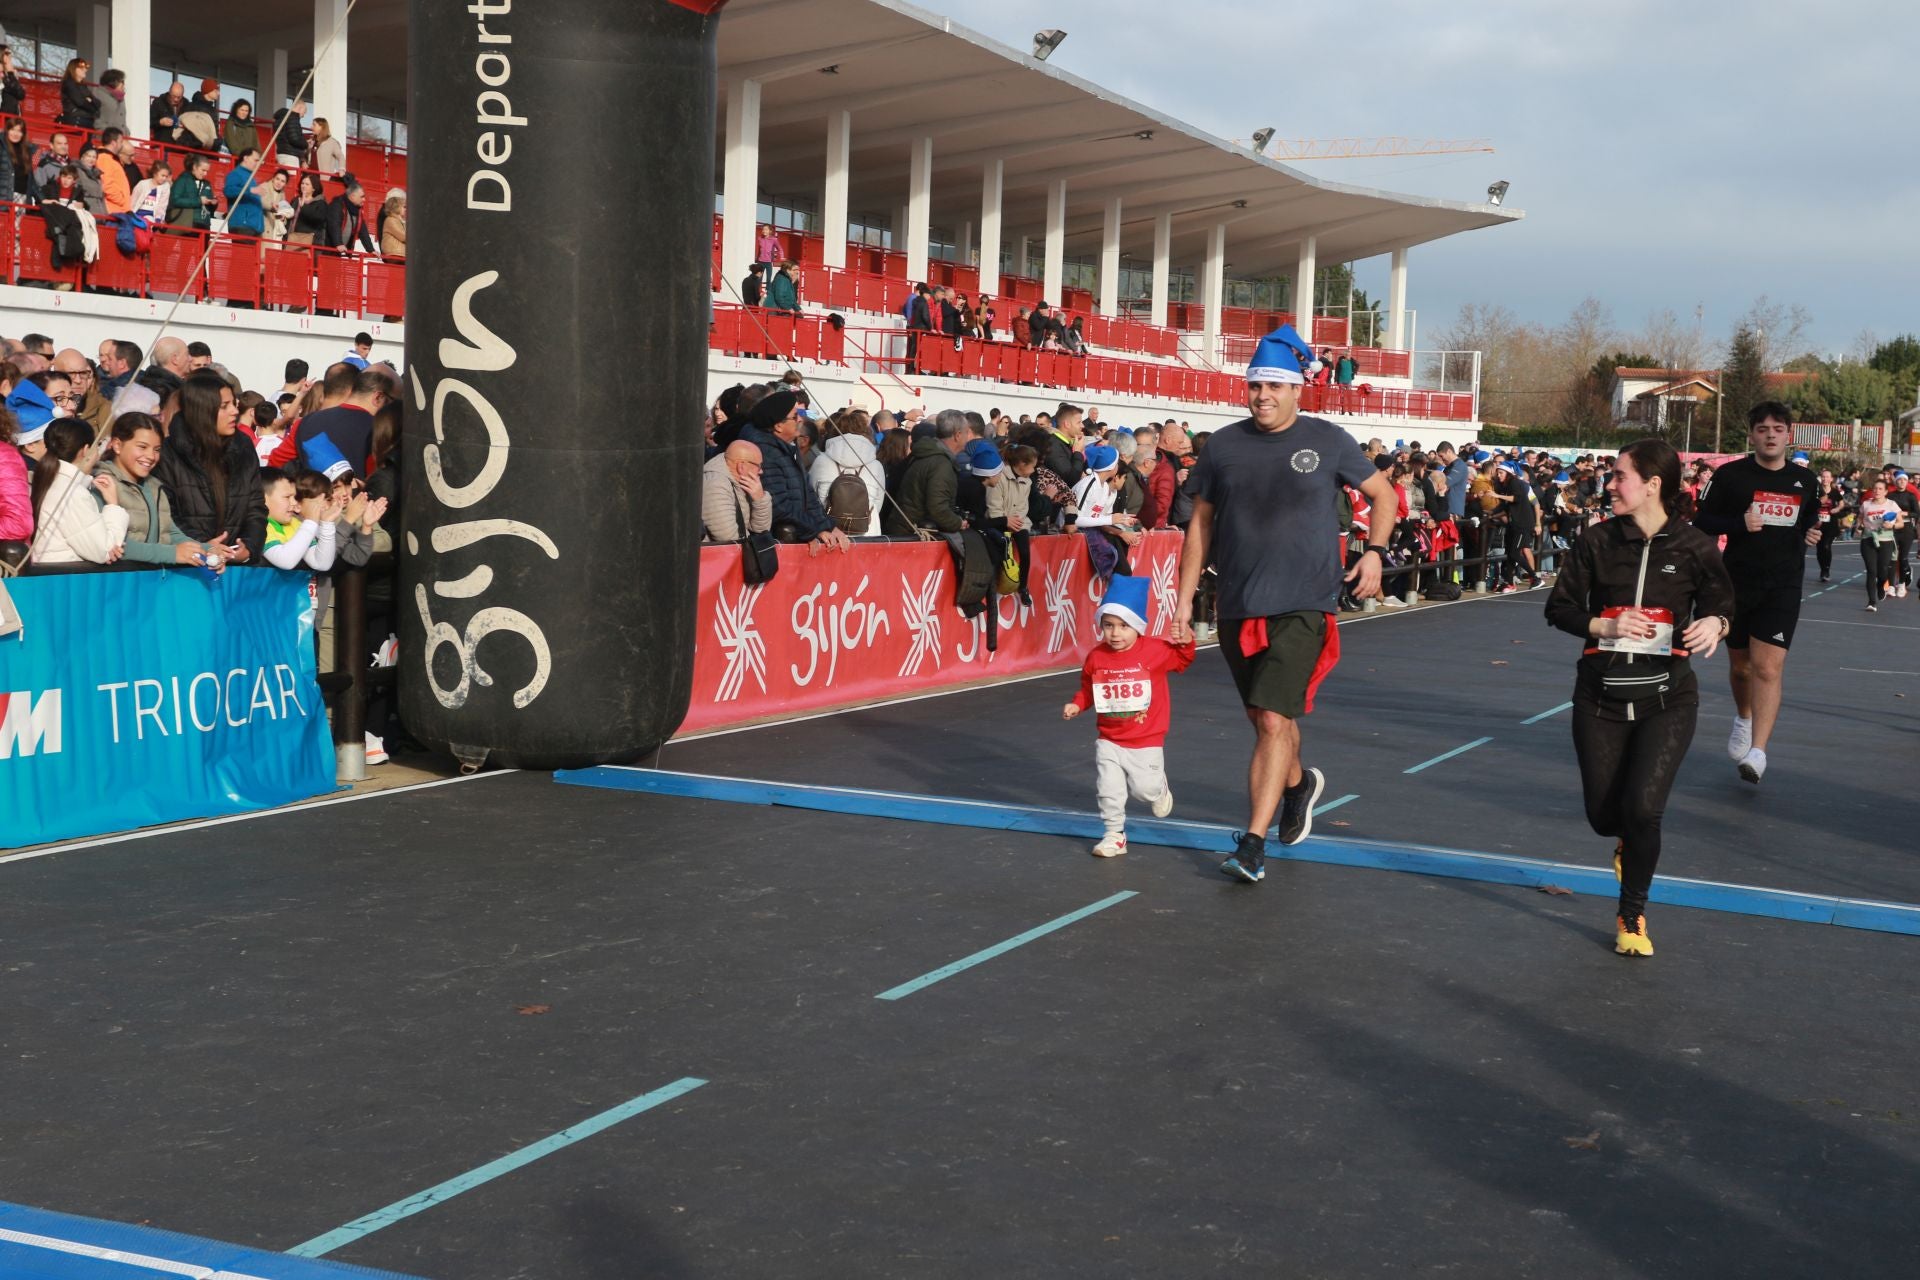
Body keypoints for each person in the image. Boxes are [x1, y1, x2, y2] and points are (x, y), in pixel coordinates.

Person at [1172, 324, 1397, 884]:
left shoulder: (1328, 439)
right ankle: (1298, 785)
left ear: (1298, 389)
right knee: (1263, 717)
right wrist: (1183, 605)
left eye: (1275, 385)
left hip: (1304, 603)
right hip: (1237, 604)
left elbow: (1384, 495)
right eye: (1255, 386)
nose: (1263, 396)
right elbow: (1198, 526)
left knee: (1274, 717)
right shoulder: (1222, 446)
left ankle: (1252, 843)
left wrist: (1374, 554)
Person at [1544, 439, 1733, 957]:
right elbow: (1558, 608)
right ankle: (1624, 842)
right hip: (1600, 698)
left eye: (1619, 476)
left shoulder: (1695, 546)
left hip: (1667, 699)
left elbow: (1722, 601)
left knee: (1645, 810)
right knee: (1607, 817)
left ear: (1652, 484)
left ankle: (1632, 914)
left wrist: (1716, 623)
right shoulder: (1598, 541)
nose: (1609, 484)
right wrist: (1601, 623)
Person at [1690, 402, 1820, 785]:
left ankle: (1759, 752)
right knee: (1742, 668)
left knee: (1768, 668)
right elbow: (1702, 521)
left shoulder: (1805, 480)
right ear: (1751, 435)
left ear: (1788, 434)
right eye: (1762, 429)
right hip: (1737, 582)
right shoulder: (1730, 476)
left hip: (1783, 584)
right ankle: (1744, 717)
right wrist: (1739, 524)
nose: (1770, 435)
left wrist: (1811, 531)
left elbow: (1808, 517)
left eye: (1777, 429)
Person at [1062, 575, 1197, 859]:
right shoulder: (1096, 657)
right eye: (1108, 625)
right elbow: (1089, 689)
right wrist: (1077, 704)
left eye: (1124, 626)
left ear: (1137, 626)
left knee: (1144, 791)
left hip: (1146, 738)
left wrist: (1186, 641)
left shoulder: (1155, 651)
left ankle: (1159, 790)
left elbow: (1183, 661)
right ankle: (1114, 835)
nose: (1115, 633)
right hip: (1109, 738)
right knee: (1108, 789)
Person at [155, 369, 265, 560]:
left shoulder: (244, 447)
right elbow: (166, 515)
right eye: (224, 406)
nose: (234, 411)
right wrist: (203, 546)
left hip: (235, 572)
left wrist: (248, 547)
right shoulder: (168, 454)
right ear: (202, 410)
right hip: (186, 569)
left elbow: (256, 506)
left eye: (234, 404)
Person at [95, 412, 227, 568]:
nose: (151, 456)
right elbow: (106, 546)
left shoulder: (155, 487)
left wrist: (208, 550)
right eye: (142, 447)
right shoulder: (100, 484)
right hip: (117, 585)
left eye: (157, 449)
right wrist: (171, 553)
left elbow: (170, 533)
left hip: (151, 584)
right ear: (117, 445)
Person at [737, 390, 849, 553]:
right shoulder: (765, 453)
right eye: (795, 416)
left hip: (798, 532)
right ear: (778, 425)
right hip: (776, 543)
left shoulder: (788, 446)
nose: (800, 419)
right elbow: (779, 506)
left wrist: (828, 526)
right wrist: (814, 530)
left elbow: (807, 493)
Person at [28, 419, 128, 566]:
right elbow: (103, 551)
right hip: (63, 580)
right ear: (86, 450)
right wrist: (113, 505)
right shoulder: (71, 492)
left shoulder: (51, 480)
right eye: (97, 446)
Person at [883, 408, 967, 535]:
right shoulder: (940, 463)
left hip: (903, 528)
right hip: (912, 534)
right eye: (967, 432)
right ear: (958, 435)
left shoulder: (926, 454)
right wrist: (958, 523)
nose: (968, 437)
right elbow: (938, 509)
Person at [260, 467, 343, 571]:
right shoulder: (259, 526)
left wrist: (327, 524)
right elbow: (285, 561)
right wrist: (310, 522)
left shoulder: (295, 524)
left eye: (294, 497)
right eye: (287, 497)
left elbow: (321, 564)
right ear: (262, 499)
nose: (294, 502)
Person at [701, 439, 773, 542]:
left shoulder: (744, 481)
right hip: (718, 555)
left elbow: (761, 531)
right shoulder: (716, 485)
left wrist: (760, 499)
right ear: (741, 466)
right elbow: (729, 539)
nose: (761, 471)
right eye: (759, 466)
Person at [1856, 479, 1902, 612]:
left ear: (1886, 492)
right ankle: (1871, 602)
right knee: (1871, 571)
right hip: (1868, 539)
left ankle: (1881, 585)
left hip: (1885, 540)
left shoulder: (1892, 505)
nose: (1877, 491)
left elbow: (1901, 523)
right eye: (1875, 488)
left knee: (1883, 571)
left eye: (1880, 489)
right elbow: (1860, 517)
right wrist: (1858, 527)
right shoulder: (1866, 504)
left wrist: (1892, 525)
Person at [1886, 471, 1919, 597]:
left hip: (1906, 529)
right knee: (1891, 557)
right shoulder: (1891, 495)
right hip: (1893, 528)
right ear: (1896, 481)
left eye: (1904, 480)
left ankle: (1901, 585)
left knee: (1903, 558)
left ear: (1907, 482)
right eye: (1899, 480)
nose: (1902, 482)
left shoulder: (1911, 496)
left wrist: (1906, 514)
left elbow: (1917, 513)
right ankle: (1890, 586)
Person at [222, 150, 267, 237]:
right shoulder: (236, 174)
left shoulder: (250, 177)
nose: (258, 164)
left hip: (254, 227)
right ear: (245, 158)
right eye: (256, 160)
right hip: (242, 225)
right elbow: (228, 191)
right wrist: (250, 190)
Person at [167, 154, 215, 231]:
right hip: (187, 222)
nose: (205, 174)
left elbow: (210, 206)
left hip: (204, 223)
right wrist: (199, 201)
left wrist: (214, 203)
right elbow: (175, 200)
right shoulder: (182, 180)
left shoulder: (207, 183)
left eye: (207, 171)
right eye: (203, 170)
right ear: (194, 167)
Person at [57, 58, 99, 131]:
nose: (85, 69)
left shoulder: (83, 86)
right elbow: (80, 102)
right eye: (81, 67)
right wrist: (92, 107)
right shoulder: (69, 83)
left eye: (86, 67)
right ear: (73, 68)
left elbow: (98, 103)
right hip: (76, 120)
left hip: (87, 121)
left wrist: (90, 101)